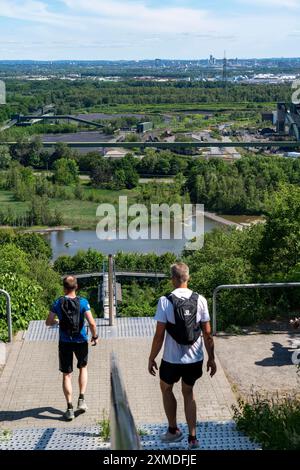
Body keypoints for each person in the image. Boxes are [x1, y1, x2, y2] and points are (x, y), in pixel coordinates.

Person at [148, 262, 217, 450]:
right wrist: (211, 358)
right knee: (189, 392)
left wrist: (151, 357)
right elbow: (207, 334)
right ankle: (193, 438)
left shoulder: (165, 301)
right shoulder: (200, 299)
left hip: (171, 359)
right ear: (188, 277)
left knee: (166, 388)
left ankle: (173, 430)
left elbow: (159, 335)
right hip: (195, 359)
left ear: (172, 279)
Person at [46, 275, 99, 421]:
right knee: (83, 367)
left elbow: (48, 322)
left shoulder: (58, 302)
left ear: (64, 287)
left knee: (67, 374)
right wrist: (95, 336)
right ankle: (81, 400)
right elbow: (92, 323)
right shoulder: (83, 302)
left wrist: (58, 321)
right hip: (81, 340)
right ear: (76, 287)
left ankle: (69, 409)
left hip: (65, 342)